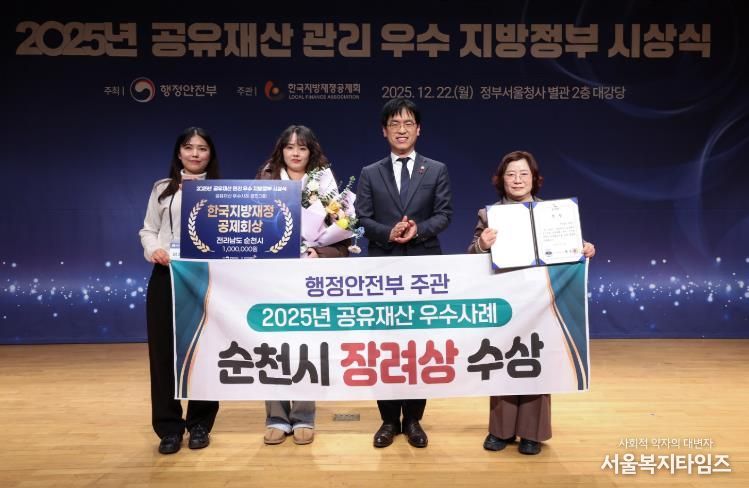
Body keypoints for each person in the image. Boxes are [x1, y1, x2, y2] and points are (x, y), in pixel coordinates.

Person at [468, 149, 596, 455]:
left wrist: (584, 249)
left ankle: (532, 433)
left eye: (523, 174)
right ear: (501, 180)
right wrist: (481, 245)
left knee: (536, 361)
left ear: (534, 179)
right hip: (505, 298)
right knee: (504, 360)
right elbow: (471, 256)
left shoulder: (553, 213)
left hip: (542, 299)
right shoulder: (489, 215)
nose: (517, 180)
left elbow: (568, 250)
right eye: (511, 174)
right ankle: (500, 431)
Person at [355, 98, 453, 448]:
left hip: (423, 267)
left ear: (418, 129)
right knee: (384, 345)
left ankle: (413, 419)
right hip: (383, 267)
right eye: (394, 124)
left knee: (418, 345)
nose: (401, 129)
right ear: (384, 131)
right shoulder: (370, 172)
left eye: (408, 123)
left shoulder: (436, 169)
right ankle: (387, 420)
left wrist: (418, 230)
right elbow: (361, 219)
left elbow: (444, 214)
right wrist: (388, 232)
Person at [256, 125, 349, 445]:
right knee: (273, 347)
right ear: (281, 150)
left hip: (311, 277)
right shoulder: (266, 178)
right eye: (290, 147)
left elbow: (343, 232)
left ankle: (304, 416)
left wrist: (319, 252)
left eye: (302, 147)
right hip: (274, 277)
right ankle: (276, 417)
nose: (295, 153)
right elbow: (251, 229)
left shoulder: (324, 182)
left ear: (311, 152)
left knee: (307, 346)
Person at [138, 127, 221, 454]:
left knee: (206, 349)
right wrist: (154, 250)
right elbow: (148, 230)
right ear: (179, 153)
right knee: (163, 353)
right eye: (189, 147)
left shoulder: (222, 190)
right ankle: (169, 427)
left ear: (210, 154)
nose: (195, 154)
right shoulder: (162, 188)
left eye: (202, 148)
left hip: (206, 278)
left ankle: (200, 423)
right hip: (167, 275)